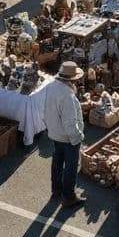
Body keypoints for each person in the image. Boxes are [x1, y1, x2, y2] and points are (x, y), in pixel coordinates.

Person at [44, 60, 86, 208]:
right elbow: (70, 123)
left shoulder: (51, 87)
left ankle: (56, 192)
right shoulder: (67, 95)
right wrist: (78, 137)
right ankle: (68, 196)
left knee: (57, 162)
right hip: (67, 137)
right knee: (70, 167)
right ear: (72, 79)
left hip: (55, 133)